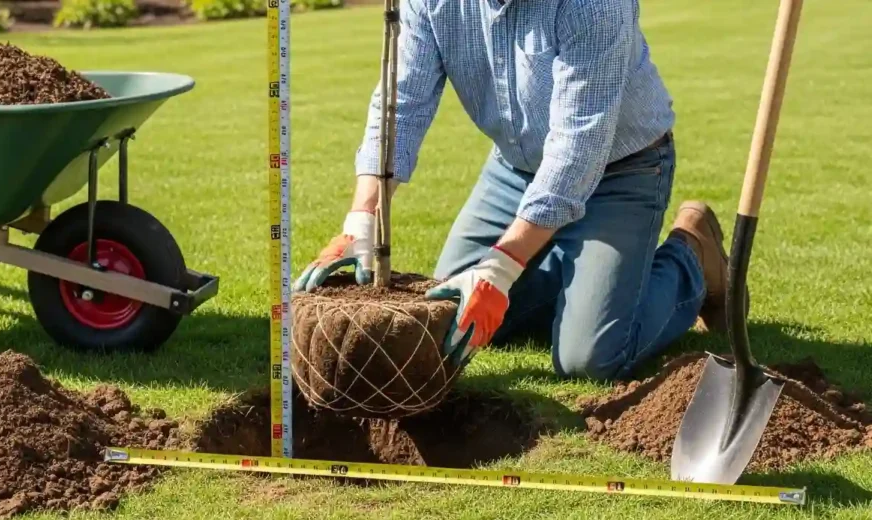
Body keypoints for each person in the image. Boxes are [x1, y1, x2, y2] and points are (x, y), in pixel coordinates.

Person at [292, 0, 731, 381]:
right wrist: (361, 219)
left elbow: (577, 148)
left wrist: (502, 267)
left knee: (589, 358)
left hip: (620, 171)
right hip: (516, 169)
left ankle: (692, 255)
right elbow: (401, 103)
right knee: (451, 314)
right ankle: (579, 274)